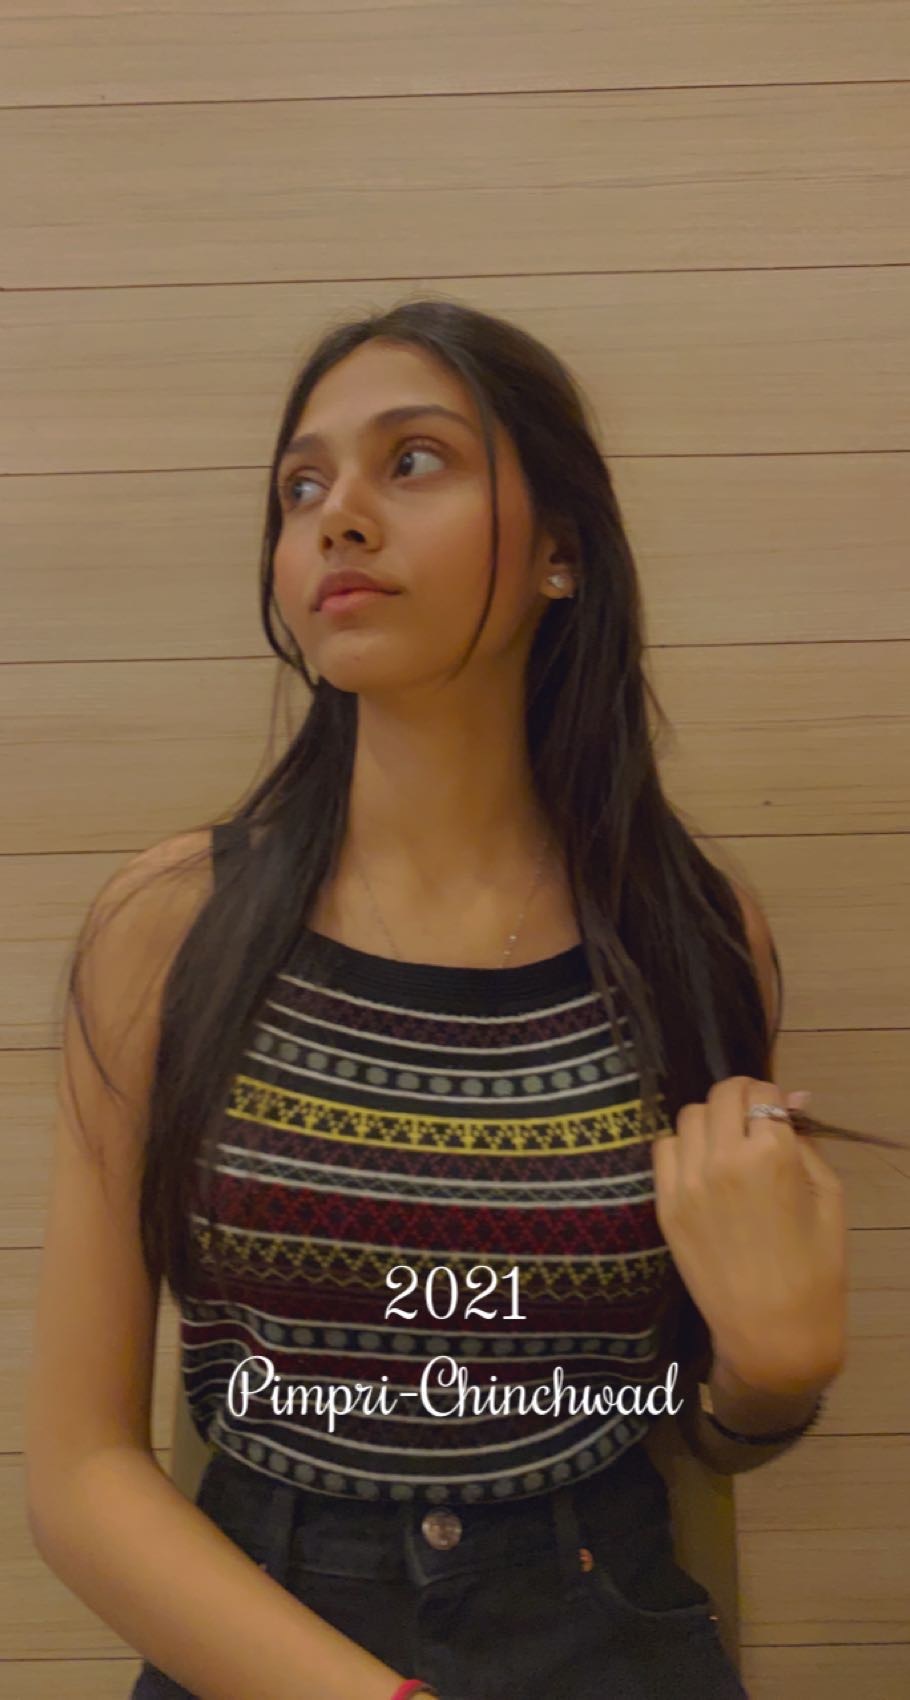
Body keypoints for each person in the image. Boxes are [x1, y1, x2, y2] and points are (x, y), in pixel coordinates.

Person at [25, 299, 850, 1700]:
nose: (338, 517)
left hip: (600, 1615)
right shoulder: (167, 927)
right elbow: (79, 1469)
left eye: (414, 461)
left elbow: (696, 1433)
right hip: (256, 1626)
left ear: (560, 552)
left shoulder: (694, 937)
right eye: (302, 487)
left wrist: (771, 1379)